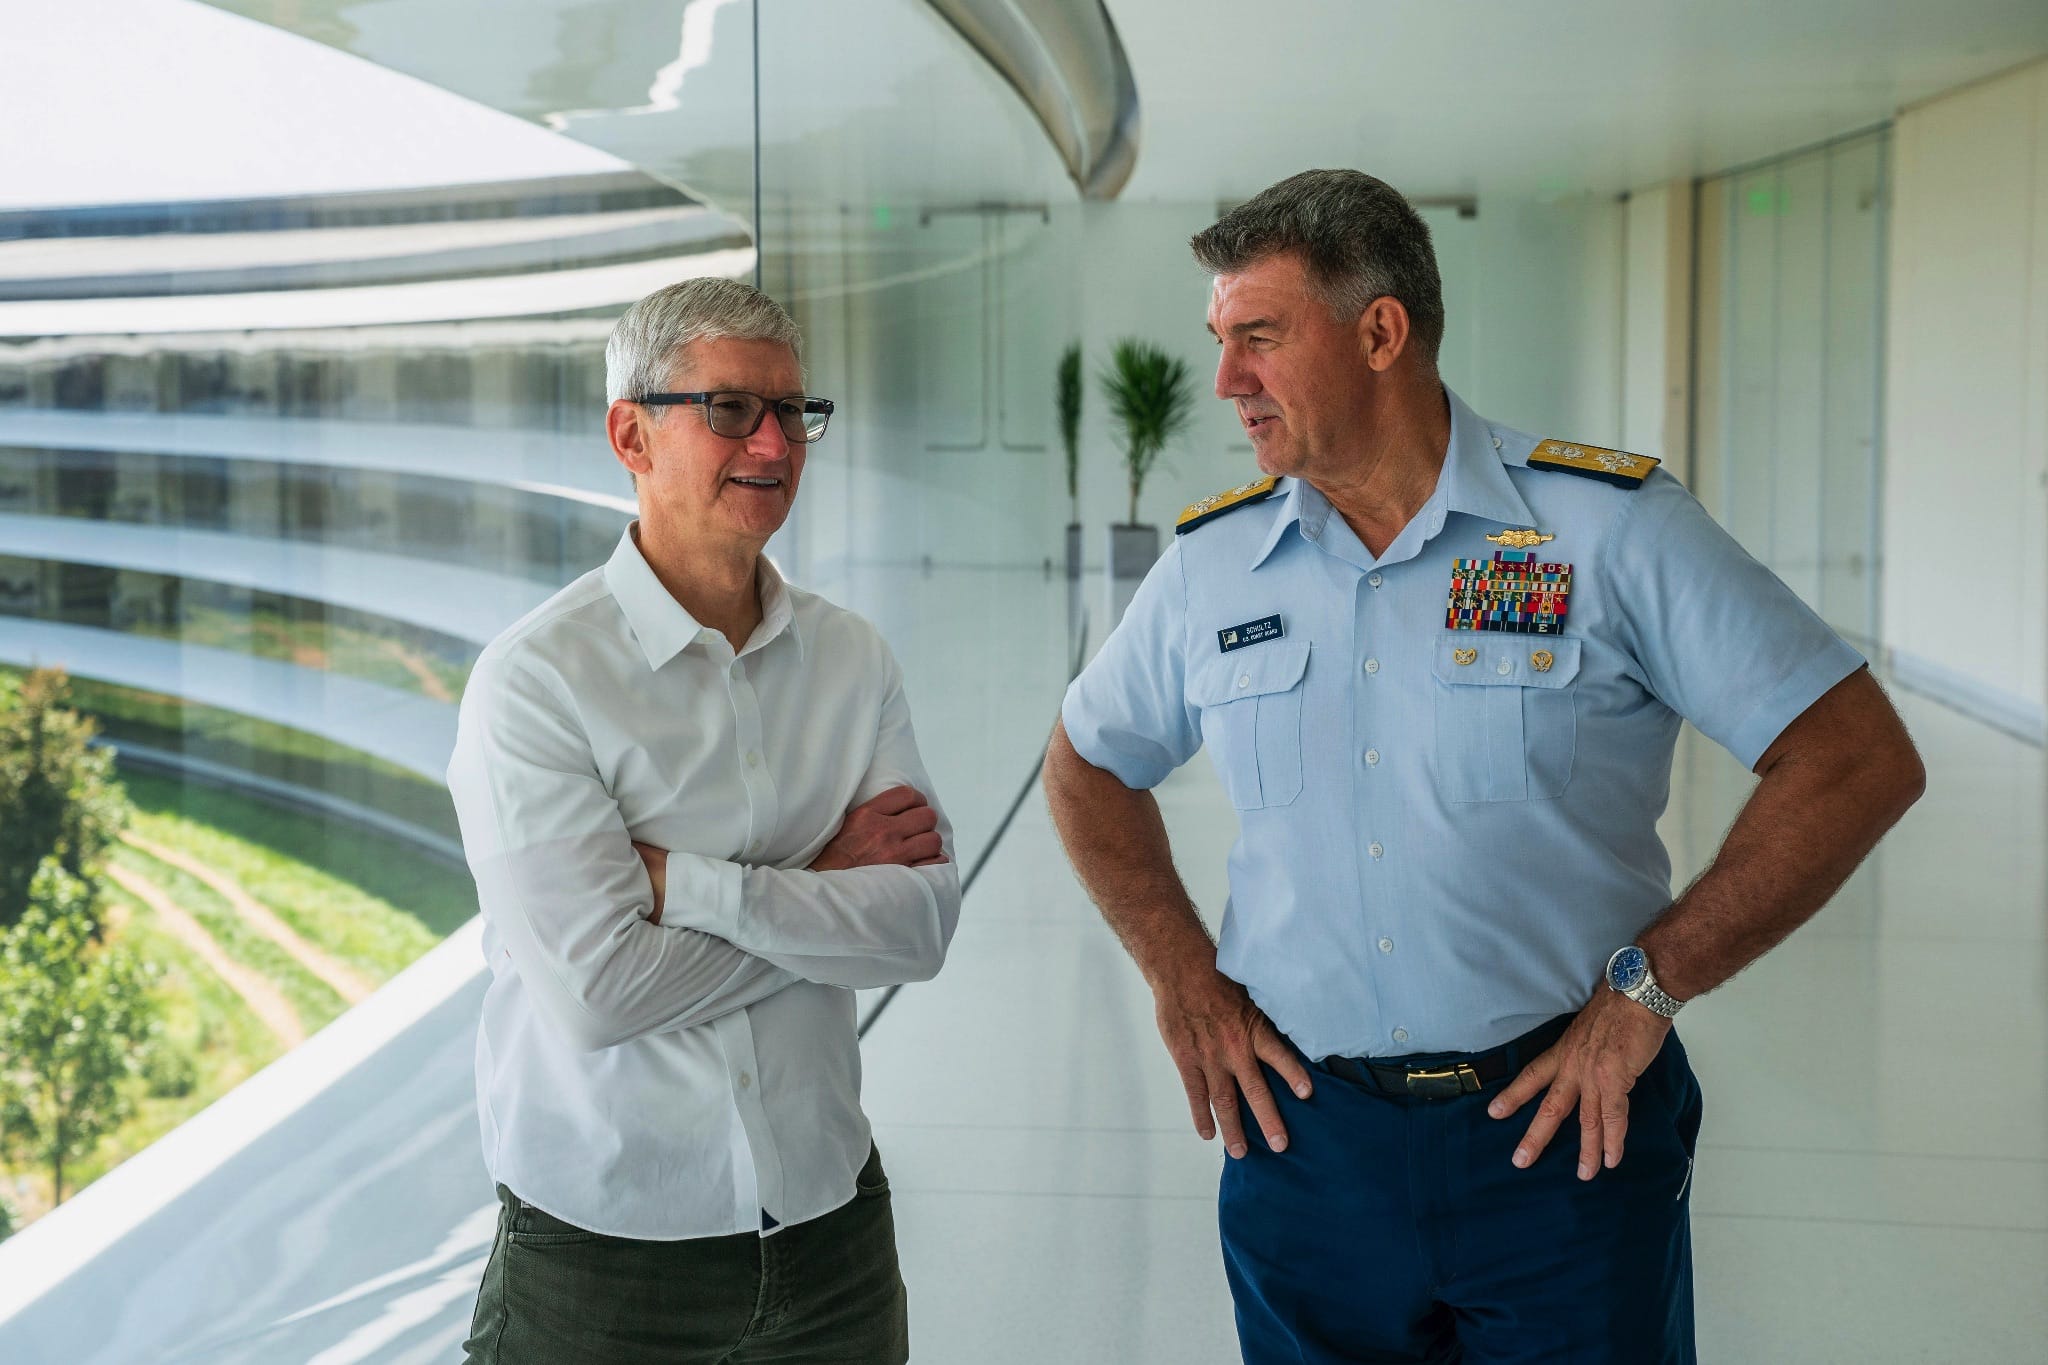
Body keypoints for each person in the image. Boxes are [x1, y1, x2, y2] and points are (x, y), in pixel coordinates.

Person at [1043, 170, 1924, 1364]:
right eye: (1218, 341)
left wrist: (1648, 987)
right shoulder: (1214, 567)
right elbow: (1087, 762)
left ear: (1378, 332)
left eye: (1257, 337)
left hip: (1565, 1137)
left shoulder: (1601, 530)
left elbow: (1854, 756)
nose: (1223, 382)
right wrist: (1181, 975)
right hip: (1306, 1151)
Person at [448, 276, 959, 1364]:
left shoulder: (851, 658)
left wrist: (686, 885)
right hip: (600, 1260)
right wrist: (822, 888)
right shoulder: (535, 682)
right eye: (729, 409)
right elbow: (598, 994)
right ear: (629, 433)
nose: (772, 443)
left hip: (830, 1232)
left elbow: (917, 931)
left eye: (792, 411)